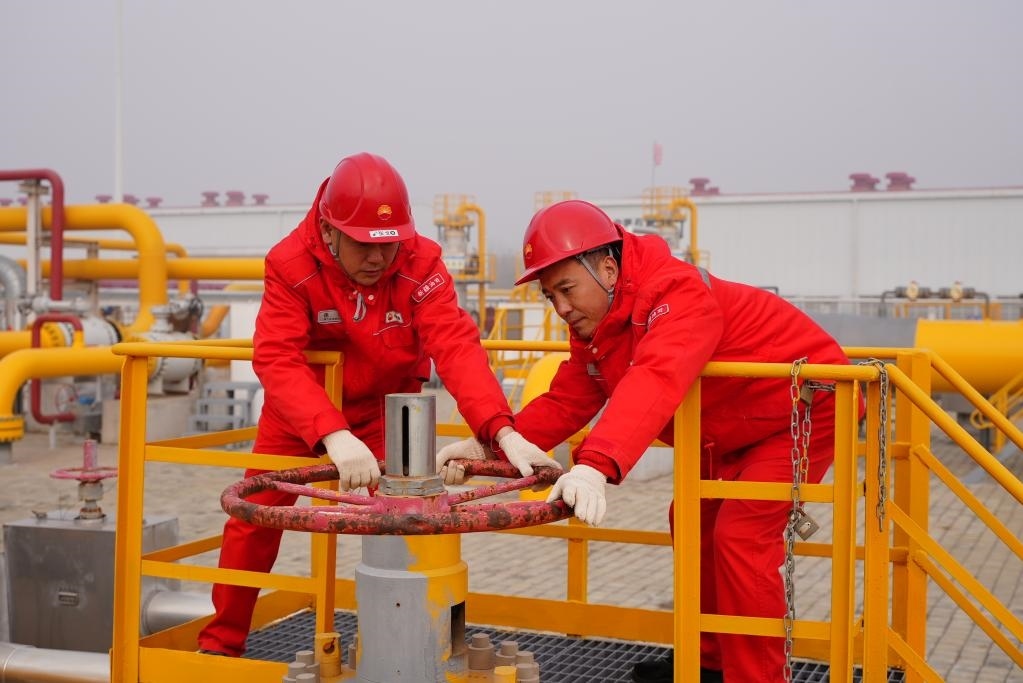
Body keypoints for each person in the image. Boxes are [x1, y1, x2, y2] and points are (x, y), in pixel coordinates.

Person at [436, 199, 857, 683]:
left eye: (567, 289)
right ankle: (709, 663)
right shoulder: (600, 324)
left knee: (741, 537)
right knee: (692, 520)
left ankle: (754, 678)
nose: (561, 308)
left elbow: (656, 376)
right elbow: (569, 398)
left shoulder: (677, 293)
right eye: (551, 297)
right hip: (734, 424)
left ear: (608, 268)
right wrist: (490, 445)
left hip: (801, 411)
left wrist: (594, 466)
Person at [196, 152, 558, 657]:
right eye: (365, 245)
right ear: (328, 230)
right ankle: (219, 645)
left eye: (389, 245)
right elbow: (277, 356)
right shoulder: (290, 263)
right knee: (253, 522)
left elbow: (455, 345)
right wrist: (331, 432)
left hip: (389, 414)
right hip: (302, 414)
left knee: (412, 523)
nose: (379, 259)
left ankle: (413, 647)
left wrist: (502, 430)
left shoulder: (420, 261)